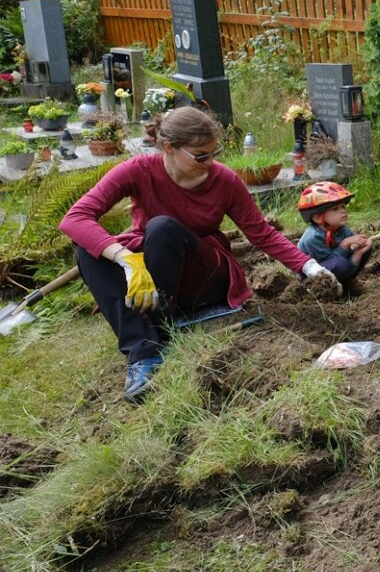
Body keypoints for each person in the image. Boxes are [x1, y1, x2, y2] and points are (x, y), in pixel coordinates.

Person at [60, 107, 341, 401]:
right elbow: (75, 218)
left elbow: (262, 233)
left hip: (205, 276)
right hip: (155, 273)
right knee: (88, 253)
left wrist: (310, 267)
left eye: (213, 152)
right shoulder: (138, 170)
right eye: (200, 155)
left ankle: (158, 323)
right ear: (169, 147)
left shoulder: (224, 181)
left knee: (162, 227)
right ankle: (144, 353)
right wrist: (125, 258)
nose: (210, 161)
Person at [296, 181, 372, 291]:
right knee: (340, 263)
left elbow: (345, 259)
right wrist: (345, 244)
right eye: (335, 209)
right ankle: (322, 290)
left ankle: (347, 281)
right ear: (317, 217)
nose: (343, 211)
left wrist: (358, 252)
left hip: (336, 266)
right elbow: (332, 262)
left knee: (364, 249)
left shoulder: (342, 230)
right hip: (312, 274)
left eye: (343, 207)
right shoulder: (312, 237)